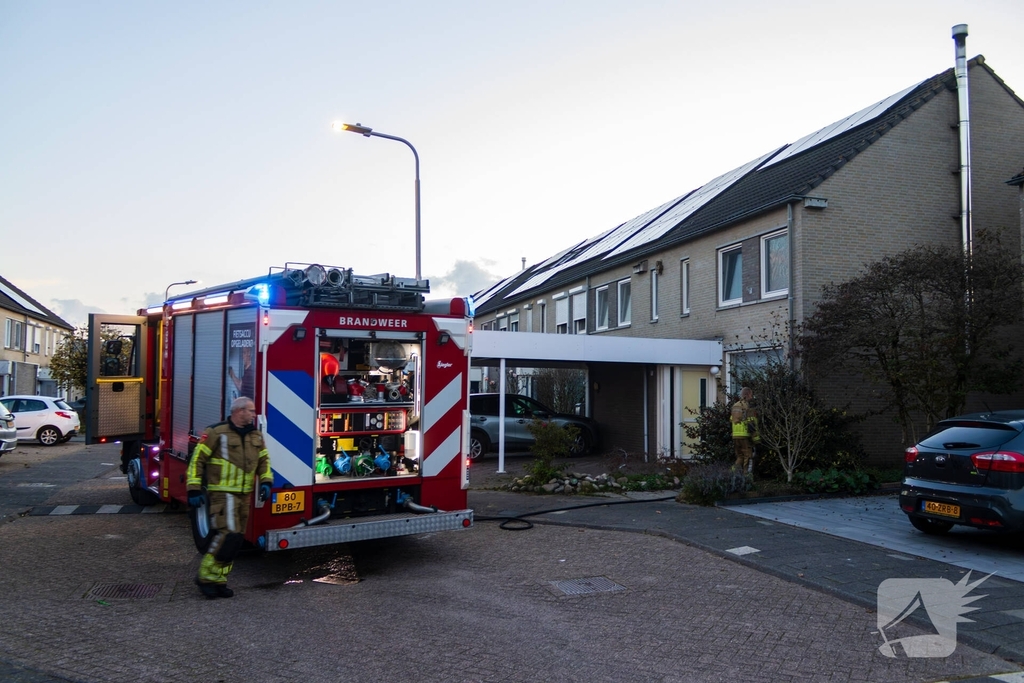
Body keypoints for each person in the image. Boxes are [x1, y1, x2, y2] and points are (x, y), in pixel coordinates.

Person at [186, 397, 272, 599]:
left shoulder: (256, 435)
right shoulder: (216, 432)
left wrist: (267, 482)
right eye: (250, 411)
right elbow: (197, 460)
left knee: (236, 540)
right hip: (223, 494)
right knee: (228, 534)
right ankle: (206, 577)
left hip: (244, 495)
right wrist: (193, 489)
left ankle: (219, 580)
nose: (253, 414)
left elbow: (264, 461)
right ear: (238, 411)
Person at [730, 387, 758, 474]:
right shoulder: (747, 406)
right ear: (748, 394)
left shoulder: (735, 405)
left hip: (735, 435)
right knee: (747, 456)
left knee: (740, 456)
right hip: (745, 435)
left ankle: (732, 474)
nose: (752, 397)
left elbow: (731, 419)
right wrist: (756, 438)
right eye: (751, 395)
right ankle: (745, 476)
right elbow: (751, 422)